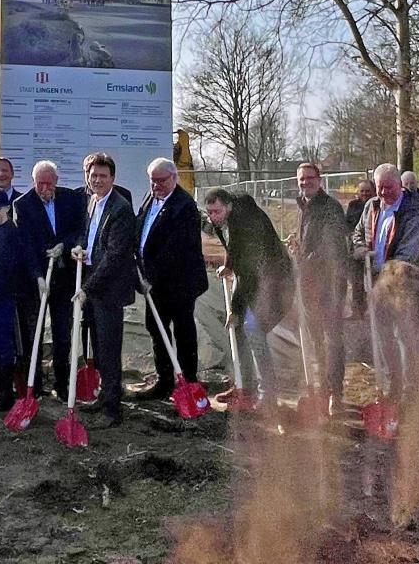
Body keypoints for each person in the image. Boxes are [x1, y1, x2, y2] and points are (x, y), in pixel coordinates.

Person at [204, 187, 294, 409]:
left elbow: (248, 272)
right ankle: (245, 386)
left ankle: (268, 394)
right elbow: (232, 247)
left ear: (228, 206)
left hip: (274, 283)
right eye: (210, 213)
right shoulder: (226, 218)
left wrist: (235, 309)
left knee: (253, 330)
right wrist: (228, 265)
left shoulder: (247, 224)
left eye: (217, 212)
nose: (213, 218)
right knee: (237, 330)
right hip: (252, 279)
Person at [353, 164, 419, 397]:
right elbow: (358, 232)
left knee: (404, 335)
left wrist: (385, 279)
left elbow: (406, 255)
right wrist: (360, 247)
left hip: (406, 283)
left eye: (389, 187)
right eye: (380, 187)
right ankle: (392, 384)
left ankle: (410, 389)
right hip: (378, 280)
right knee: (382, 332)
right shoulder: (371, 206)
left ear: (400, 185)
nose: (384, 192)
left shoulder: (414, 212)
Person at [131, 158, 208, 399]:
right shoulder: (150, 197)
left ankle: (189, 382)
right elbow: (140, 228)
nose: (156, 185)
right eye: (152, 181)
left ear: (174, 178)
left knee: (183, 332)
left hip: (179, 282)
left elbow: (175, 250)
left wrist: (151, 276)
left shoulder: (184, 206)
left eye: (161, 180)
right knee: (156, 328)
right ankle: (164, 380)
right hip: (153, 283)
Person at [12, 160, 87, 400]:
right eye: (40, 183)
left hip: (64, 277)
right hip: (36, 281)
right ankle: (33, 384)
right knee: (33, 333)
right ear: (33, 182)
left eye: (49, 183)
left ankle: (62, 383)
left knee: (62, 333)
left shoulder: (71, 199)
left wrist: (64, 245)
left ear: (56, 181)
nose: (44, 188)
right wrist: (37, 275)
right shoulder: (22, 205)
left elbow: (80, 229)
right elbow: (25, 245)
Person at [73, 153, 137, 429]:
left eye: (103, 176)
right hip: (94, 282)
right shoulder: (93, 201)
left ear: (112, 178)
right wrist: (79, 247)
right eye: (93, 176)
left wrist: (87, 288)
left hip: (108, 289)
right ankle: (104, 396)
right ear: (87, 177)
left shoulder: (120, 208)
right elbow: (89, 236)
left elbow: (114, 256)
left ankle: (112, 410)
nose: (97, 180)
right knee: (98, 347)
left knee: (109, 349)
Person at [293, 162, 349, 415]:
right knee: (316, 340)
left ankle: (336, 394)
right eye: (302, 179)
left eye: (310, 178)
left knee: (332, 340)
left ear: (320, 179)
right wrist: (298, 248)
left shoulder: (330, 207)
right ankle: (322, 390)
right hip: (308, 286)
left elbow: (331, 245)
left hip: (330, 285)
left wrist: (306, 261)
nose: (305, 182)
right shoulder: (303, 206)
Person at [0, 190, 42, 411]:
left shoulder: (15, 232)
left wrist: (38, 277)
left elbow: (29, 257)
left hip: (7, 295)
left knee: (3, 344)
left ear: (7, 208)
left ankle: (6, 391)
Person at [345, 179, 375, 318]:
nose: (365, 194)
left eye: (368, 191)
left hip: (372, 247)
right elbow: (347, 224)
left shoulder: (377, 204)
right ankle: (357, 310)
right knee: (356, 280)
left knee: (374, 279)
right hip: (356, 246)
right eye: (362, 191)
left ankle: (375, 310)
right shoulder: (353, 205)